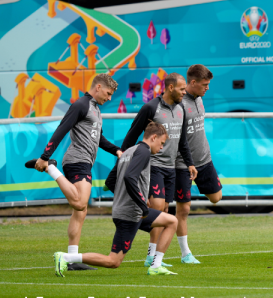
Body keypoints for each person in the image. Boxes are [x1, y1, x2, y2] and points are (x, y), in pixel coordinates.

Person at [25, 74, 123, 271]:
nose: (110, 98)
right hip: (77, 161)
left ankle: (71, 259)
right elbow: (61, 130)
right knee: (79, 203)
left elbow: (99, 138)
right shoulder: (81, 104)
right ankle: (51, 167)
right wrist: (45, 157)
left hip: (84, 163)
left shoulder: (95, 109)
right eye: (108, 93)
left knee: (80, 212)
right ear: (98, 87)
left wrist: (117, 150)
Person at [54, 122, 179, 276]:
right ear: (153, 137)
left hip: (128, 210)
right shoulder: (144, 152)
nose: (161, 148)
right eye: (162, 143)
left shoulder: (128, 151)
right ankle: (66, 257)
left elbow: (110, 182)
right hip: (130, 214)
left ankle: (156, 265)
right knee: (113, 261)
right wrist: (142, 204)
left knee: (171, 221)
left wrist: (129, 199)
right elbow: (129, 177)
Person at [120, 72, 196, 268]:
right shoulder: (151, 107)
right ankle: (151, 255)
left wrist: (190, 163)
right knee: (157, 208)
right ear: (170, 88)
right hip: (152, 166)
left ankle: (153, 256)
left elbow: (182, 140)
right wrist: (123, 159)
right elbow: (132, 135)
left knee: (163, 211)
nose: (184, 92)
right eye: (181, 89)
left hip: (171, 168)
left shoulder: (181, 108)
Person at [172, 64, 223, 264]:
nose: (207, 88)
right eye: (204, 84)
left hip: (204, 159)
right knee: (183, 209)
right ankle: (185, 253)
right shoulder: (178, 103)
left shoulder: (200, 98)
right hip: (183, 164)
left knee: (216, 198)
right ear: (192, 82)